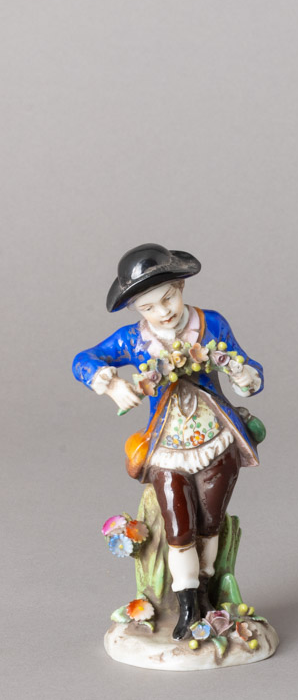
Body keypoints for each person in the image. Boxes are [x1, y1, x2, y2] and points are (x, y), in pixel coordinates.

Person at [73, 244, 264, 640]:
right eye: (148, 307)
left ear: (180, 287)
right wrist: (111, 384)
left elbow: (248, 369)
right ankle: (188, 605)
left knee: (210, 524)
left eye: (168, 299)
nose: (163, 312)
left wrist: (244, 375)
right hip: (167, 448)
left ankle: (207, 594)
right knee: (179, 527)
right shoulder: (134, 340)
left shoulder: (211, 324)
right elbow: (84, 360)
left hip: (215, 440)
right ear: (136, 310)